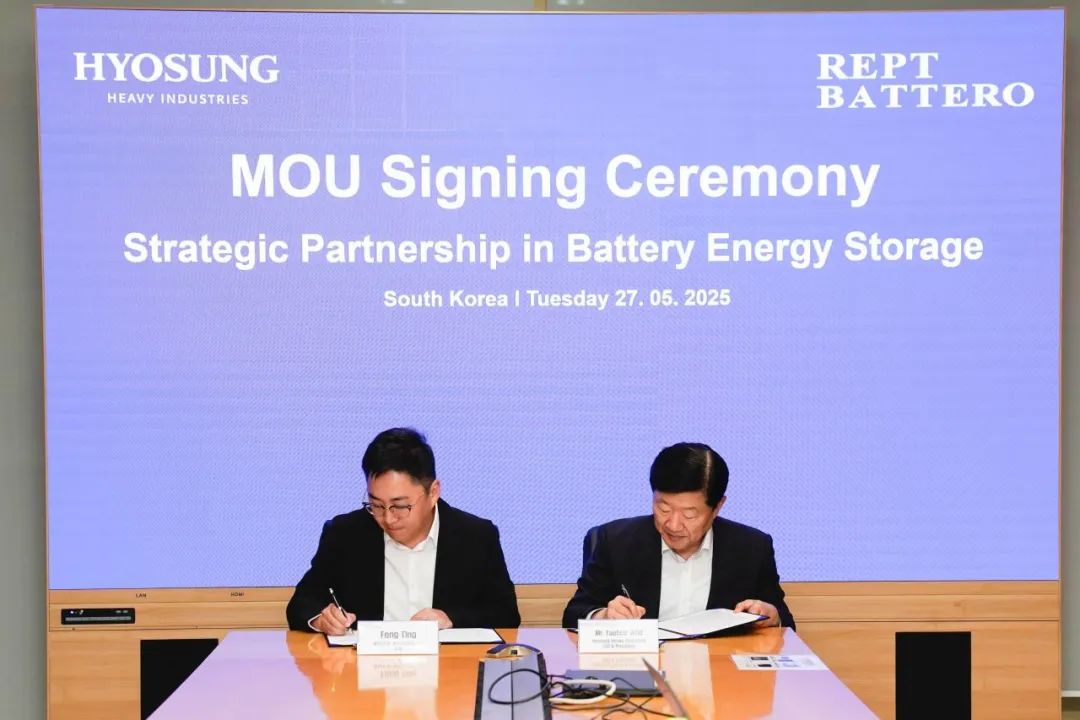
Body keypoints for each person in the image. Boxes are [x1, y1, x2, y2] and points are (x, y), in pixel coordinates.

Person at [287, 427, 521, 633]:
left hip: (448, 666)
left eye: (400, 506)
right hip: (364, 667)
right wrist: (322, 620)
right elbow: (302, 603)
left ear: (433, 492)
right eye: (376, 505)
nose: (388, 519)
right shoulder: (345, 534)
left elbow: (506, 614)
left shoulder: (476, 536)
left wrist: (451, 619)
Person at [562, 442, 794, 629]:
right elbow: (574, 614)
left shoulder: (752, 548)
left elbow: (784, 622)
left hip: (720, 669)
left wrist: (770, 615)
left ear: (718, 507)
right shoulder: (615, 541)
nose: (673, 525)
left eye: (689, 514)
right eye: (663, 508)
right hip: (640, 669)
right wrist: (604, 616)